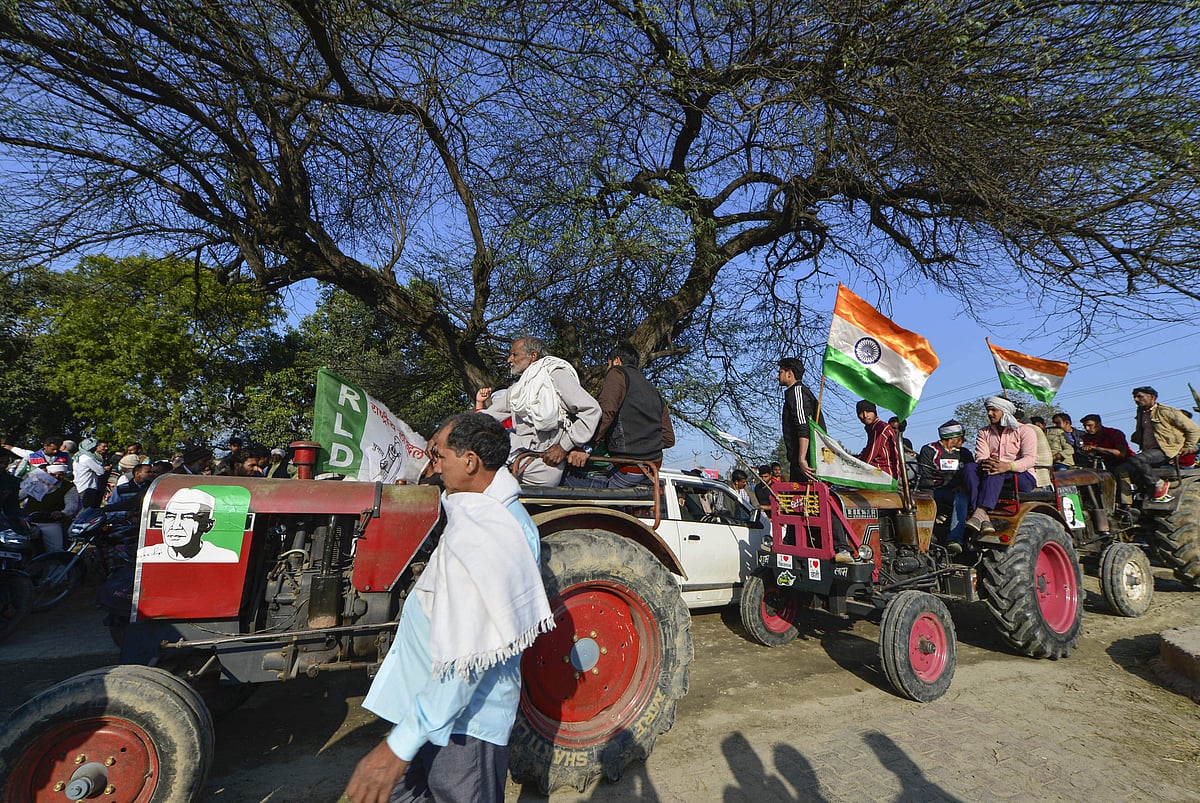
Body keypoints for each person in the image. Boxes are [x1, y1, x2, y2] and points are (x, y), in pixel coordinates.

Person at [344, 413, 553, 803]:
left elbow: (467, 656)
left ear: (470, 461)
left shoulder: (492, 532)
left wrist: (397, 747)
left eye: (438, 454)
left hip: (463, 725)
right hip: (429, 709)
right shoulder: (472, 513)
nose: (432, 464)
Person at [476, 336, 601, 487]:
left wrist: (563, 447)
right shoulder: (518, 389)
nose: (510, 360)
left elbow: (591, 410)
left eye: (514, 354)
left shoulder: (555, 375)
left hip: (543, 466)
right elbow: (489, 416)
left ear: (533, 356)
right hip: (520, 457)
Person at [564, 342, 675, 488]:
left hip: (627, 468)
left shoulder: (617, 373)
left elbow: (606, 412)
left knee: (563, 478)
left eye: (608, 365)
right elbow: (668, 439)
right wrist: (646, 445)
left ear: (616, 361)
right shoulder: (654, 391)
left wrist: (586, 447)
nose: (608, 370)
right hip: (651, 469)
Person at [962, 397, 1038, 534]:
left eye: (993, 410)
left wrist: (1008, 466)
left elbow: (1030, 460)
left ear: (1005, 411)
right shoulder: (984, 432)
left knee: (997, 469)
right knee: (969, 468)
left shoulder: (1025, 431)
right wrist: (987, 462)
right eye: (988, 410)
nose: (989, 413)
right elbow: (980, 457)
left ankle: (980, 512)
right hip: (992, 471)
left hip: (1021, 477)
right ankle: (981, 515)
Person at [1119, 386, 1200, 505]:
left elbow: (1194, 429)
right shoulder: (1141, 413)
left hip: (1166, 450)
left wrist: (1188, 446)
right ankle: (1127, 504)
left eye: (1139, 396)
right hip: (1151, 452)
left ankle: (1159, 484)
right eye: (1134, 397)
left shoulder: (1167, 411)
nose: (1136, 399)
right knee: (1122, 469)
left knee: (1137, 459)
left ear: (1152, 397)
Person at [138, 487, 239, 562]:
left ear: (208, 525)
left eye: (187, 517)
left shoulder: (224, 557)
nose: (175, 526)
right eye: (170, 517)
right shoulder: (147, 555)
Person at [917, 420, 973, 554]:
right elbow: (925, 476)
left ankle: (954, 539)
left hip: (953, 492)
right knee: (922, 504)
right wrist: (928, 496)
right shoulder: (929, 450)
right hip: (932, 491)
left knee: (961, 498)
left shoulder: (964, 453)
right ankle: (922, 540)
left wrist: (962, 486)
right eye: (961, 437)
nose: (964, 440)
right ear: (952, 437)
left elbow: (971, 474)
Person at [777, 358, 824, 482]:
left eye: (780, 372)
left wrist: (802, 459)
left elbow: (803, 427)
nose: (777, 377)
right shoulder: (794, 393)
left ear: (789, 373)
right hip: (798, 461)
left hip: (807, 464)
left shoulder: (797, 392)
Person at [19, 463, 81, 552]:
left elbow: (72, 505)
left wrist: (63, 513)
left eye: (60, 474)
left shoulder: (68, 487)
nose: (57, 477)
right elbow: (20, 495)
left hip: (51, 523)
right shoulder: (37, 482)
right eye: (53, 474)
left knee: (55, 550)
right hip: (29, 522)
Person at [856, 400, 901, 479]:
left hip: (884, 473)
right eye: (861, 413)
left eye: (868, 411)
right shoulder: (872, 428)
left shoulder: (880, 428)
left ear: (874, 413)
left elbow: (870, 455)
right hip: (877, 472)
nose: (865, 415)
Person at [73, 437, 108, 508]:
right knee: (86, 511)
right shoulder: (87, 458)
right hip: (87, 487)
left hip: (79, 485)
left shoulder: (77, 457)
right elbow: (101, 471)